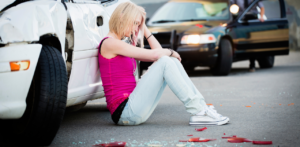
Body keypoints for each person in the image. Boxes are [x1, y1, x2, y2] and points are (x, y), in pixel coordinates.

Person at [98, 2, 229, 126]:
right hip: (125, 112)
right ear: (122, 17)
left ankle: (201, 107)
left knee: (167, 60)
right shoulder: (110, 43)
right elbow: (155, 55)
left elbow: (158, 53)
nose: (135, 29)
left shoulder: (122, 43)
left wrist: (144, 28)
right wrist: (171, 52)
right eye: (134, 23)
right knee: (166, 60)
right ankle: (199, 111)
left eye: (138, 25)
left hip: (134, 106)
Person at [230, 0, 265, 72]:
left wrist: (261, 17)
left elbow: (262, 7)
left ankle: (252, 64)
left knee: (251, 43)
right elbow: (231, 6)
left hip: (252, 20)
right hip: (239, 20)